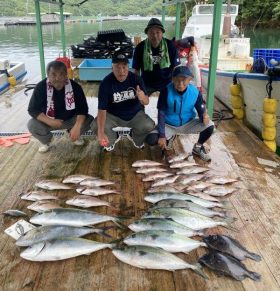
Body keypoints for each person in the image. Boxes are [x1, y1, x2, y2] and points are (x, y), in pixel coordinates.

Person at [146, 65, 214, 162]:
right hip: (169, 124)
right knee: (151, 139)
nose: (180, 83)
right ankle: (169, 137)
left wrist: (204, 114)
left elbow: (201, 106)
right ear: (173, 79)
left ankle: (198, 147)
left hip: (188, 123)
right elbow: (161, 114)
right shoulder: (166, 91)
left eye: (184, 80)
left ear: (189, 79)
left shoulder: (195, 91)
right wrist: (162, 135)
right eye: (177, 79)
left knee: (210, 126)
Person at [91, 52, 155, 151]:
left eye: (124, 66)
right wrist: (100, 132)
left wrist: (142, 98)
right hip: (113, 115)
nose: (121, 71)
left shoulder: (136, 79)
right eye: (117, 67)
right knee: (95, 125)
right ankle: (112, 138)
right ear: (112, 68)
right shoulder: (105, 83)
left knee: (149, 125)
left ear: (128, 67)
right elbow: (102, 110)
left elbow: (146, 102)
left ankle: (134, 137)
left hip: (135, 114)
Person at [27, 60, 94, 153]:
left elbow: (83, 109)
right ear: (48, 75)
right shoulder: (41, 87)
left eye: (61, 74)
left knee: (90, 120)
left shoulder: (75, 87)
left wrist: (77, 126)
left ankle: (71, 133)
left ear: (66, 75)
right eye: (53, 74)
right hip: (48, 121)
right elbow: (32, 109)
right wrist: (50, 121)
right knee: (32, 125)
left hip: (70, 120)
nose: (58, 78)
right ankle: (46, 141)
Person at [132, 18, 180, 95]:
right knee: (138, 102)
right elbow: (136, 70)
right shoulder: (140, 47)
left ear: (162, 33)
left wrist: (174, 84)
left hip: (166, 82)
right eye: (151, 33)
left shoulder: (170, 45)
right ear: (147, 34)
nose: (155, 36)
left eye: (158, 32)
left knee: (171, 102)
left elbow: (175, 68)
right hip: (146, 82)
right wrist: (137, 86)